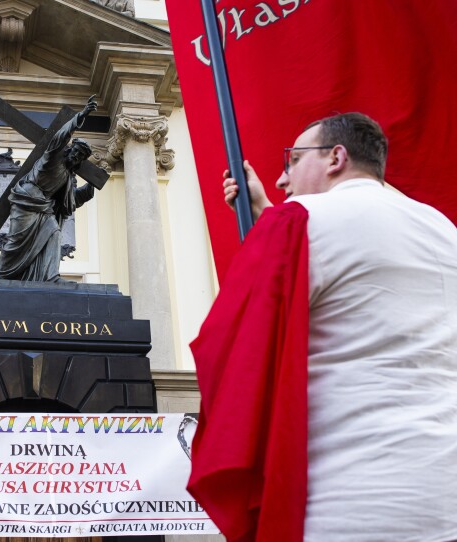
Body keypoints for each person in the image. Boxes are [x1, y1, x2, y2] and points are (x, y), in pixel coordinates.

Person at [190, 112, 457, 541]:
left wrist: (273, 221)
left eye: (294, 160)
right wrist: (266, 212)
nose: (282, 179)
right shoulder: (443, 227)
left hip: (352, 496)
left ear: (336, 157)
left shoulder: (298, 221)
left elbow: (230, 344)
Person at [0, 95, 98, 282]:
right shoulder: (52, 158)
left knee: (54, 232)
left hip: (44, 207)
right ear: (70, 149)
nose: (76, 156)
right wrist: (81, 116)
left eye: (81, 156)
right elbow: (60, 137)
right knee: (16, 241)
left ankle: (51, 276)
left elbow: (70, 201)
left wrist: (91, 186)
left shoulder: (67, 177)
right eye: (76, 151)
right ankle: (3, 273)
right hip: (26, 200)